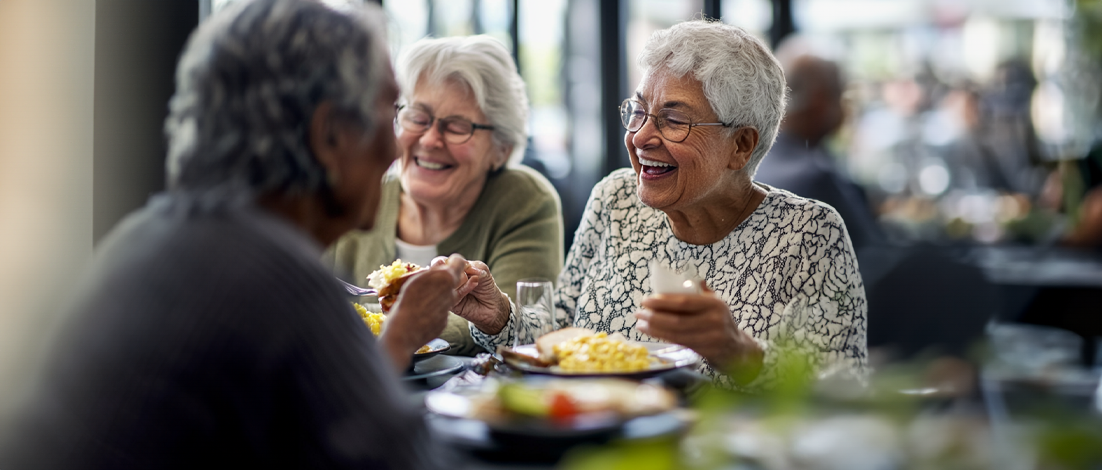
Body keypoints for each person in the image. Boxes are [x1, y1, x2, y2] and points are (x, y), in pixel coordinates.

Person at [0, 1, 465, 467]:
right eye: (389, 110)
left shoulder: (144, 237)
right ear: (329, 137)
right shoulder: (279, 280)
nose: (396, 146)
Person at [452, 20, 868, 391]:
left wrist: (738, 352)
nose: (640, 136)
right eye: (639, 111)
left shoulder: (810, 235)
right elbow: (558, 339)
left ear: (740, 145)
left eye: (673, 119)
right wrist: (499, 317)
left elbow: (842, 400)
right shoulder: (616, 198)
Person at [324, 35, 562, 356]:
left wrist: (391, 331)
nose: (431, 139)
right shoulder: (355, 190)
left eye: (457, 126)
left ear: (500, 149)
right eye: (418, 117)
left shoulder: (524, 199)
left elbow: (528, 326)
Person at [753, 40, 886, 252]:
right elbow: (876, 261)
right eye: (842, 96)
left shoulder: (749, 163)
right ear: (820, 101)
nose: (846, 109)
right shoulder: (815, 180)